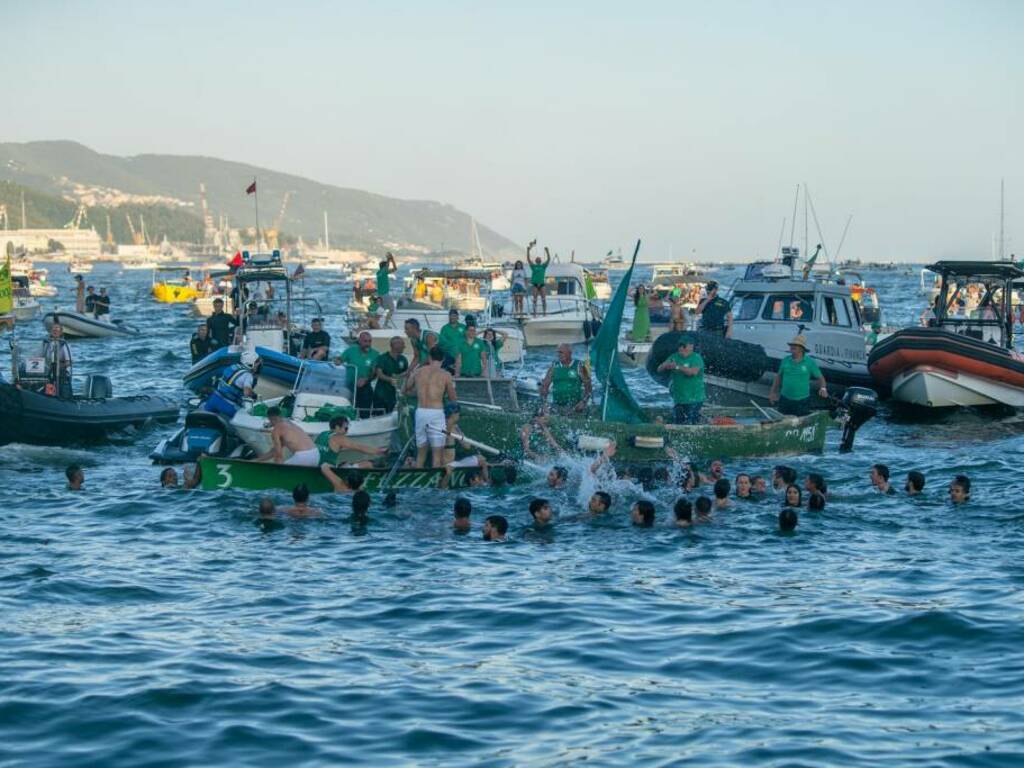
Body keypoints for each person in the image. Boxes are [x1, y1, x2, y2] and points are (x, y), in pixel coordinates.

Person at [404, 346, 458, 468]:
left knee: (421, 455)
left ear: (429, 357)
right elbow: (453, 399)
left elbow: (407, 387)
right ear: (443, 359)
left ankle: (418, 482)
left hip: (421, 412)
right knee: (437, 457)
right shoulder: (446, 375)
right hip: (436, 414)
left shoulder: (418, 372)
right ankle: (435, 486)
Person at [768, 335, 828, 416]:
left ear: (801, 349)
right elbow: (778, 377)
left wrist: (823, 388)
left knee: (801, 424)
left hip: (802, 401)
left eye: (795, 345)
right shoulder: (786, 360)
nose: (792, 347)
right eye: (792, 345)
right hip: (785, 399)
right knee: (782, 422)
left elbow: (821, 378)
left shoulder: (809, 362)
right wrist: (773, 392)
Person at [657, 335, 705, 424]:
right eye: (689, 346)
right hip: (679, 398)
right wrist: (665, 365)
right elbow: (659, 369)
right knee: (678, 422)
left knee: (691, 423)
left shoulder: (696, 358)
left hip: (694, 398)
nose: (691, 349)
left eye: (691, 347)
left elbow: (693, 372)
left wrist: (677, 367)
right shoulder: (674, 357)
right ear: (680, 347)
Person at [538, 343, 592, 414]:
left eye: (561, 352)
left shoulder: (579, 366)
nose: (559, 354)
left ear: (569, 353)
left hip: (575, 405)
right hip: (557, 405)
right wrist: (544, 404)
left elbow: (588, 385)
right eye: (558, 352)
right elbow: (545, 386)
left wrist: (584, 402)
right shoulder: (554, 367)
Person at [202, 353, 258, 419]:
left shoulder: (232, 367)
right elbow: (247, 392)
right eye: (256, 362)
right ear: (250, 363)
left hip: (214, 399)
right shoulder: (248, 375)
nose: (258, 365)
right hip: (228, 406)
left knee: (205, 416)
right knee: (247, 418)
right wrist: (254, 395)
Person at [317, 416, 388, 467]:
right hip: (330, 469)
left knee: (346, 463)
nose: (347, 431)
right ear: (337, 427)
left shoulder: (322, 434)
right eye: (346, 428)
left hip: (318, 466)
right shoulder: (339, 438)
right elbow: (359, 447)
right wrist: (379, 451)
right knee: (367, 464)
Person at [339, 331, 380, 415]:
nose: (368, 344)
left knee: (363, 411)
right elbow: (340, 359)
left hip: (364, 387)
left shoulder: (375, 354)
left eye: (369, 341)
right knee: (345, 408)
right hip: (349, 385)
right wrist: (337, 360)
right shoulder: (351, 350)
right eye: (365, 341)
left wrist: (366, 379)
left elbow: (375, 373)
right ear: (359, 341)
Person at [373, 336, 408, 413]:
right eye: (402, 344)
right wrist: (391, 380)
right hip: (381, 394)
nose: (404, 347)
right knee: (379, 415)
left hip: (395, 395)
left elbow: (406, 374)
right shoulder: (383, 358)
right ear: (395, 345)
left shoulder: (403, 359)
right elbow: (379, 374)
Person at [42, 322, 72, 398]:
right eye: (53, 329)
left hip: (61, 372)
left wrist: (58, 366)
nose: (55, 331)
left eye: (57, 329)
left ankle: (58, 396)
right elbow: (39, 356)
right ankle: (46, 395)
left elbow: (69, 362)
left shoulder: (64, 344)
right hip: (48, 370)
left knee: (56, 373)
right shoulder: (46, 343)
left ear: (61, 332)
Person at [530, 245, 552, 316]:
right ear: (536, 261)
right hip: (535, 284)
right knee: (535, 299)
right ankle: (534, 313)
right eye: (537, 259)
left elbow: (549, 259)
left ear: (540, 260)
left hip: (542, 284)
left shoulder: (543, 266)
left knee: (543, 299)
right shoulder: (533, 266)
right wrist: (528, 250)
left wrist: (547, 251)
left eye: (539, 259)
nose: (538, 259)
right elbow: (528, 259)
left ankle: (544, 312)